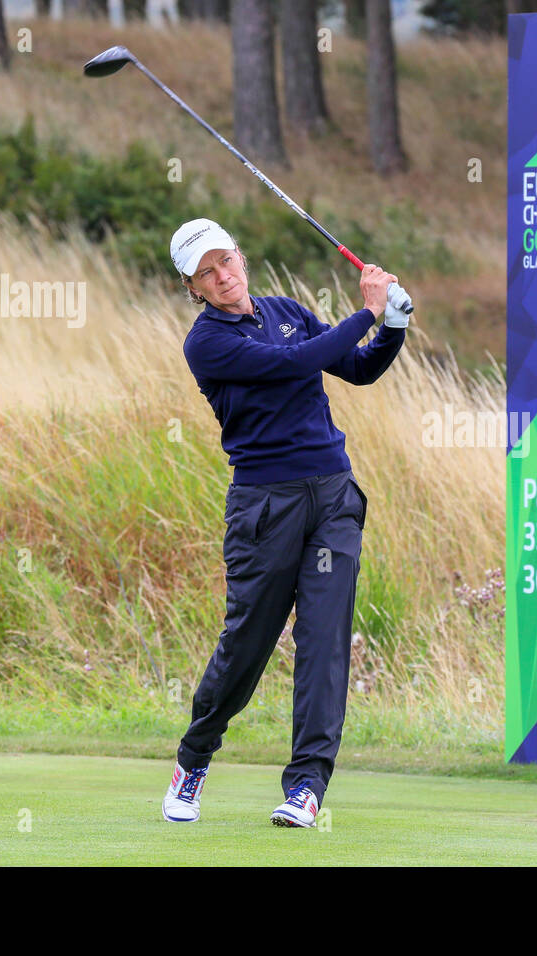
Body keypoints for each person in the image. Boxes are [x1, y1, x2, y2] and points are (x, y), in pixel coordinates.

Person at [160, 217, 410, 828]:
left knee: (324, 644)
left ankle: (306, 787)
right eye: (205, 272)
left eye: (226, 260)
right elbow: (296, 365)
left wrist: (394, 324)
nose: (222, 277)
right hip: (264, 509)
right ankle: (194, 759)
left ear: (242, 256)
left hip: (332, 497)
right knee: (246, 646)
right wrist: (367, 312)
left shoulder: (287, 309)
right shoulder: (207, 343)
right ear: (193, 287)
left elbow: (355, 367)